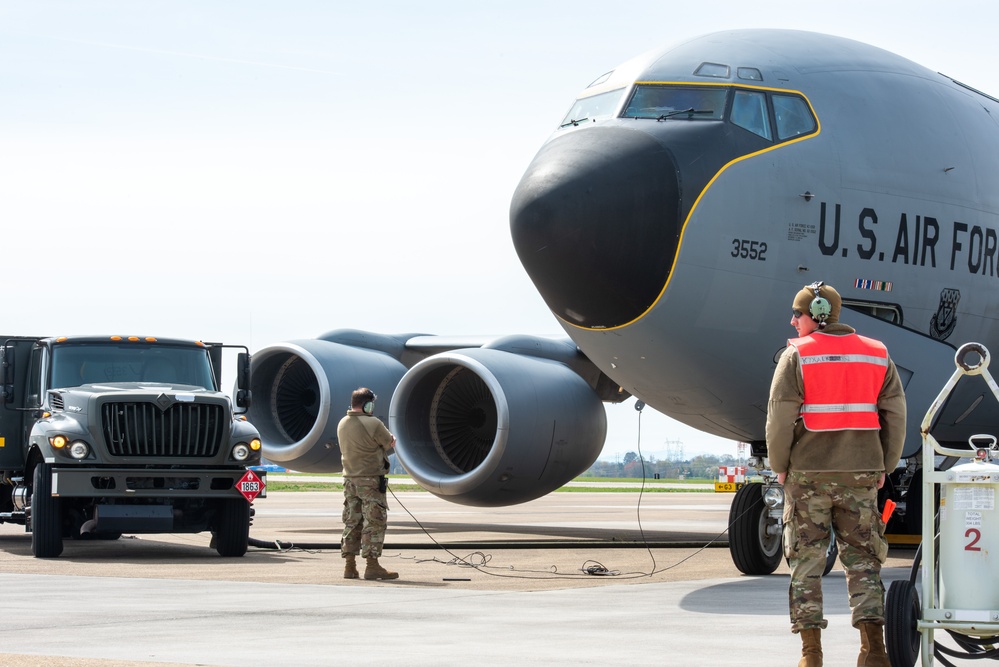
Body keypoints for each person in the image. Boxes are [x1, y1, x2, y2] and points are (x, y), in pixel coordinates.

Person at [766, 282, 906, 667]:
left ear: (817, 316)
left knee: (806, 564)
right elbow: (895, 413)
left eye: (798, 314)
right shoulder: (877, 354)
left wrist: (780, 466)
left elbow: (778, 418)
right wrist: (885, 465)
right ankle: (873, 651)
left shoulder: (796, 356)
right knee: (863, 561)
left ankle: (811, 656)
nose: (793, 320)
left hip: (808, 476)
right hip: (861, 474)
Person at [336, 387, 399, 580]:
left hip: (349, 480)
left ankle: (350, 566)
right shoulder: (373, 423)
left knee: (352, 522)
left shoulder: (342, 423)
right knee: (374, 522)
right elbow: (389, 443)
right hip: (370, 480)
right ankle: (372, 566)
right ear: (367, 404)